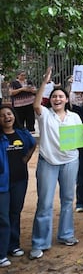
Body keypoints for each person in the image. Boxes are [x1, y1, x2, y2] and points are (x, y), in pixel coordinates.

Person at [29, 67, 82, 259]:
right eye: (54, 96)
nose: (57, 99)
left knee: (68, 200)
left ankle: (66, 235)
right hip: (48, 162)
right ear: (50, 99)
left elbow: (81, 141)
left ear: (67, 100)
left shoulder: (74, 117)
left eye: (61, 96)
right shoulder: (44, 114)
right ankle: (39, 243)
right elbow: (36, 104)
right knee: (44, 202)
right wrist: (45, 82)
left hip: (70, 161)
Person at [1, 107, 37, 265]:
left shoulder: (22, 134)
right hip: (2, 183)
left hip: (20, 180)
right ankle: (2, 252)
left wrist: (26, 158)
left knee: (15, 213)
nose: (6, 117)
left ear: (14, 116)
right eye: (2, 115)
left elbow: (33, 144)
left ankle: (13, 245)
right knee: (3, 217)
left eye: (9, 114)